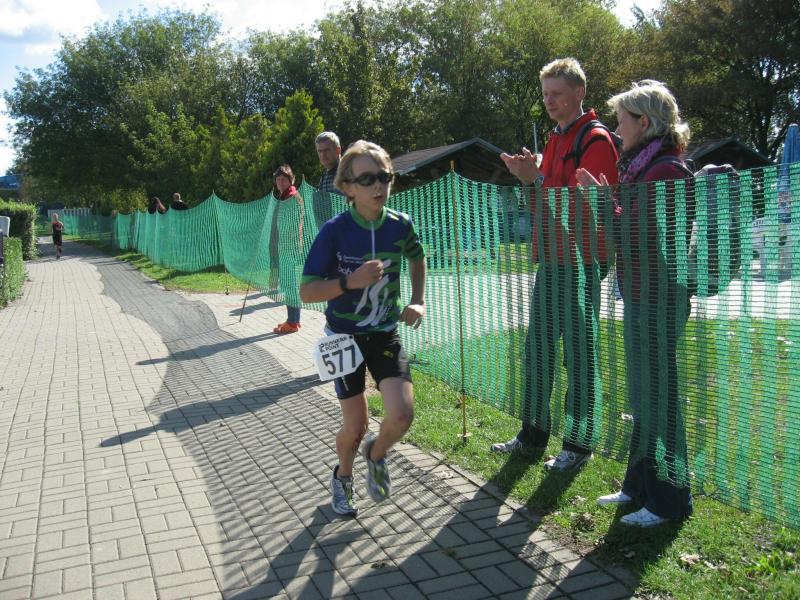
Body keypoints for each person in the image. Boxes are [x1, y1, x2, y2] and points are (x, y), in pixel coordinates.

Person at [576, 80, 694, 527]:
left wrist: (600, 202)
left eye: (622, 120)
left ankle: (669, 502)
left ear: (644, 123)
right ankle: (639, 487)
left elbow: (636, 237)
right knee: (644, 394)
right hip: (644, 296)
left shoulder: (665, 172)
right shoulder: (646, 168)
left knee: (659, 398)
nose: (617, 128)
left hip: (659, 299)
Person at [493, 57, 619, 470]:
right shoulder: (554, 139)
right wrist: (527, 179)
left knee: (579, 356)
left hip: (581, 265)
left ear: (579, 92)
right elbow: (541, 205)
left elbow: (586, 209)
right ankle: (532, 436)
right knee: (538, 352)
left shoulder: (596, 140)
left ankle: (578, 446)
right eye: (545, 93)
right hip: (551, 260)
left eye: (556, 93)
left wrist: (537, 180)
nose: (548, 101)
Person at [300, 140, 426, 516]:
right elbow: (307, 291)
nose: (378, 186)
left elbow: (417, 257)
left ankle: (376, 452)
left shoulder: (400, 225)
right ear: (348, 187)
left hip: (384, 334)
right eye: (367, 179)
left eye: (384, 177)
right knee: (355, 426)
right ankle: (343, 477)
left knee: (402, 415)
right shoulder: (334, 231)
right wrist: (349, 282)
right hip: (342, 339)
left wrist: (417, 299)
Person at [272, 164, 305, 334]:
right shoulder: (284, 196)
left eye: (283, 179)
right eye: (278, 180)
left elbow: (292, 224)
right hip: (286, 246)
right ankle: (293, 319)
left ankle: (293, 322)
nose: (280, 183)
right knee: (288, 283)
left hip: (289, 246)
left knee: (289, 284)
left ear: (290, 180)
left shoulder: (291, 197)